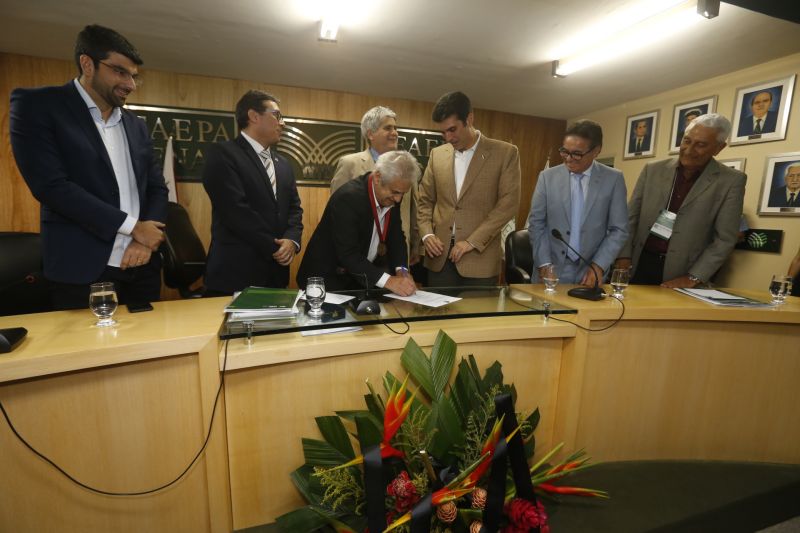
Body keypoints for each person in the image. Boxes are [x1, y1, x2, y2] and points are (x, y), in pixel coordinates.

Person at [9, 24, 168, 310]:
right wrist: (133, 228)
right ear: (87, 64)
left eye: (133, 76)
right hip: (81, 270)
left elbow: (157, 188)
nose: (130, 85)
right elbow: (51, 186)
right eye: (119, 72)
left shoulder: (136, 125)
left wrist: (145, 241)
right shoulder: (37, 105)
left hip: (142, 266)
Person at [615, 113, 746, 288]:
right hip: (637, 265)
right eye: (686, 141)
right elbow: (630, 218)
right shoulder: (653, 170)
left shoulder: (731, 181)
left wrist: (693, 277)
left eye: (700, 145)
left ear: (719, 148)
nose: (689, 150)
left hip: (683, 274)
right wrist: (623, 256)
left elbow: (724, 239)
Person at [202, 89, 303, 295]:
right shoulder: (223, 154)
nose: (283, 123)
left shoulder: (284, 163)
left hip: (276, 275)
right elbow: (236, 211)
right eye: (277, 115)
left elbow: (294, 209)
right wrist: (276, 247)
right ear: (254, 116)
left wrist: (291, 241)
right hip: (235, 274)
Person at [417, 91, 521, 287]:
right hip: (439, 259)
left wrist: (471, 242)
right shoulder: (437, 155)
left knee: (477, 309)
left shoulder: (505, 153)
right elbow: (425, 201)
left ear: (469, 119)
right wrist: (427, 234)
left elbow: (508, 205)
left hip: (480, 260)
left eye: (452, 129)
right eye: (443, 132)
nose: (448, 138)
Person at [297, 150, 418, 296]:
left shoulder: (391, 195)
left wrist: (402, 271)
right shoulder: (348, 198)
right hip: (326, 280)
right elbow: (348, 254)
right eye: (395, 192)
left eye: (403, 193)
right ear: (378, 178)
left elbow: (396, 237)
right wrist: (389, 281)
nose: (398, 199)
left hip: (358, 277)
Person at [528, 120, 628, 285]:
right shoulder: (547, 177)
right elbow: (536, 224)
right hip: (550, 269)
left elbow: (619, 229)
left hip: (590, 271)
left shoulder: (613, 179)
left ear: (596, 151)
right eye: (565, 151)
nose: (569, 159)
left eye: (577, 154)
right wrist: (544, 265)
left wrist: (599, 266)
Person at [330, 106, 420, 263]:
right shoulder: (349, 163)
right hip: (358, 252)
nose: (395, 133)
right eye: (388, 128)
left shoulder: (406, 166)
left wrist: (416, 245)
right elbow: (336, 211)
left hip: (396, 252)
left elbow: (413, 208)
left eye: (395, 128)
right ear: (370, 134)